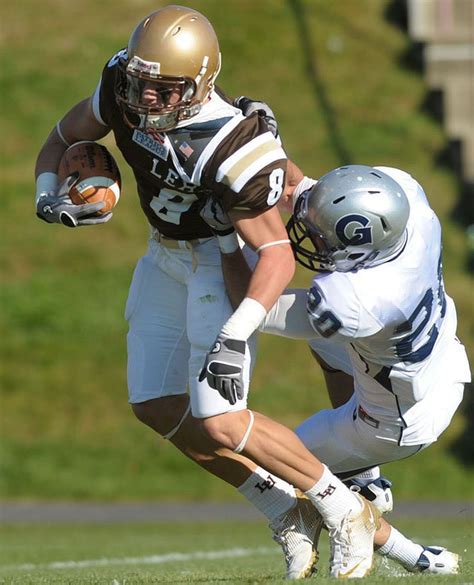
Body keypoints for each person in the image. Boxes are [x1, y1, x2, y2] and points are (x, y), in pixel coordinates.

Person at [34, 5, 382, 580]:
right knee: (155, 403)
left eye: (163, 89)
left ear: (200, 82)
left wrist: (236, 330)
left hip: (221, 262)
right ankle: (283, 509)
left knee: (220, 418)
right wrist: (51, 195)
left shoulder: (233, 143)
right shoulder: (121, 84)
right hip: (164, 253)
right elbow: (62, 135)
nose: (145, 100)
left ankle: (345, 510)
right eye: (140, 84)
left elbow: (274, 253)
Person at [208, 163, 470, 575]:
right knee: (324, 345)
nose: (313, 240)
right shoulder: (404, 197)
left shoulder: (355, 301)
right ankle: (368, 483)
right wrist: (257, 145)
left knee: (285, 466)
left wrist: (225, 236)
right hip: (442, 361)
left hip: (393, 423)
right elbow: (298, 186)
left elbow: (252, 301)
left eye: (322, 239)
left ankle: (407, 549)